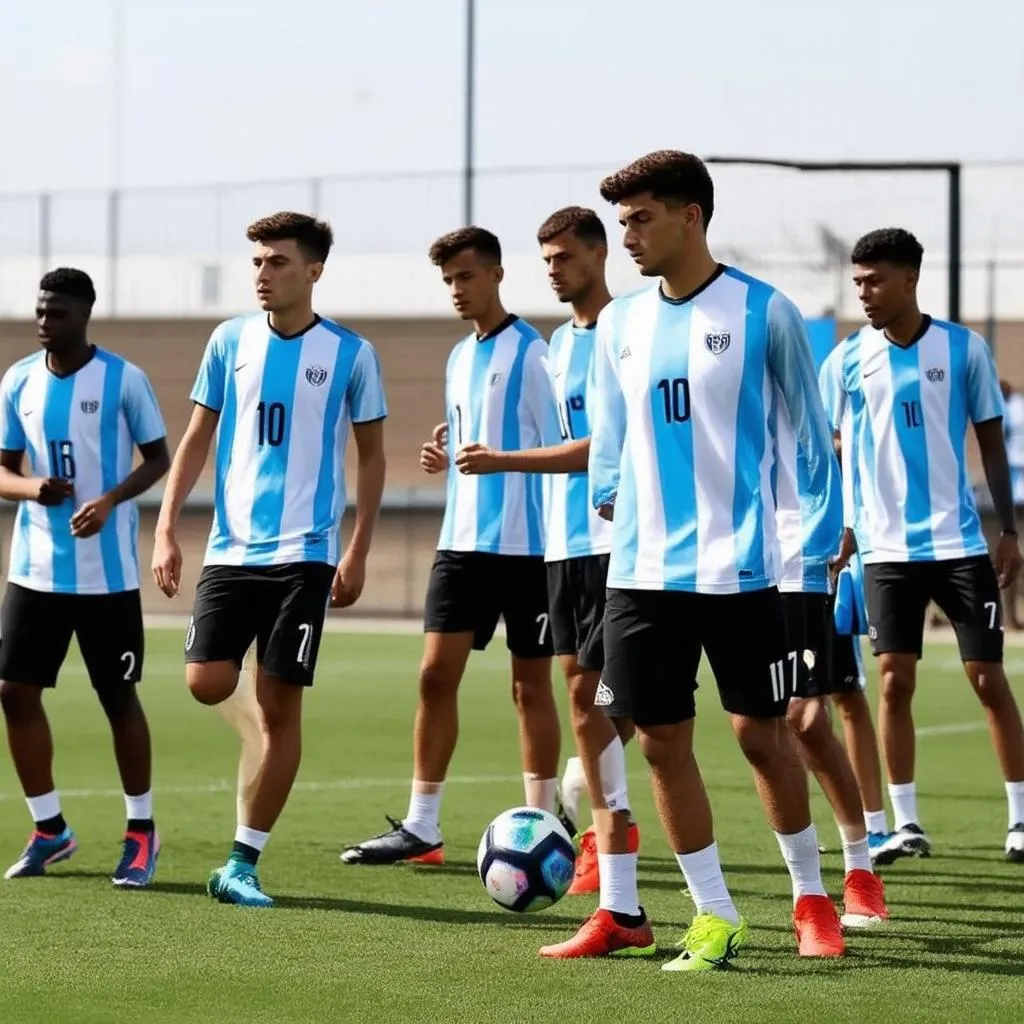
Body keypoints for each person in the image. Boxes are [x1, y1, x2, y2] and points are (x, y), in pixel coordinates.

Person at [589, 150, 846, 970]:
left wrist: (820, 547)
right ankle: (716, 914)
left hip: (741, 572)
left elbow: (812, 439)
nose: (627, 236)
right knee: (660, 744)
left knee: (762, 740)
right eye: (622, 221)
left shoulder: (765, 312)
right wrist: (607, 492)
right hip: (638, 573)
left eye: (641, 219)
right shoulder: (618, 323)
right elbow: (610, 436)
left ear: (691, 215)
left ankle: (811, 896)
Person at [152, 211, 387, 905]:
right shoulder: (228, 342)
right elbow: (194, 440)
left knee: (283, 710)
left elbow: (372, 458)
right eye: (257, 261)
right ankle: (262, 691)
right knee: (205, 682)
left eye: (277, 261)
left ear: (312, 271)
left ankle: (242, 863)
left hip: (306, 557)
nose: (263, 273)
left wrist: (359, 547)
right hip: (230, 553)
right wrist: (166, 528)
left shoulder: (351, 354)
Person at [454, 207, 651, 958]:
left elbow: (606, 444)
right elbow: (545, 431)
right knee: (583, 697)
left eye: (567, 256)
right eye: (548, 260)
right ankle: (600, 833)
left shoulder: (630, 328)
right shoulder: (556, 345)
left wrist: (503, 461)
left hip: (623, 542)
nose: (556, 269)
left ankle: (607, 839)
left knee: (625, 705)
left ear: (602, 254)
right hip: (562, 545)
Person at [341, 226, 563, 866]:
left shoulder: (535, 353)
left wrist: (503, 461)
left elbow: (564, 444)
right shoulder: (459, 356)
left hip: (528, 547)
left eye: (466, 277)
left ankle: (543, 823)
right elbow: (472, 440)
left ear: (495, 274)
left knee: (530, 688)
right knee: (435, 678)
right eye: (448, 281)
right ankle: (423, 826)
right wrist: (443, 453)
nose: (457, 291)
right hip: (461, 542)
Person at [826, 227, 1024, 865]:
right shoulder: (847, 360)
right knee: (893, 681)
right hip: (883, 552)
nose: (865, 293)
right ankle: (905, 824)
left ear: (911, 278)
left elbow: (990, 441)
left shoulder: (963, 350)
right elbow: (833, 449)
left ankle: (1020, 820)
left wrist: (1011, 532)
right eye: (857, 282)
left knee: (989, 679)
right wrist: (845, 526)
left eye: (875, 280)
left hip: (960, 543)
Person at [0, 267, 169, 886]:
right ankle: (50, 829)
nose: (46, 322)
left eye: (59, 313)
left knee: (117, 698)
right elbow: (2, 469)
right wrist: (32, 489)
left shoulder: (125, 380)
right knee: (13, 692)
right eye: (41, 311)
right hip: (34, 571)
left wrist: (109, 500)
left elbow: (159, 459)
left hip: (109, 578)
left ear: (85, 314)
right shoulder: (18, 380)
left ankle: (141, 832)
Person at [773, 370, 889, 926]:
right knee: (759, 726)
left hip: (799, 564)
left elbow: (835, 448)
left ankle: (860, 871)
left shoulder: (791, 383)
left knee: (808, 718)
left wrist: (841, 527)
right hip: (724, 566)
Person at [998, 379, 1024, 628]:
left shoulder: (1012, 409)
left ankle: (1011, 615)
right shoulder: (1014, 407)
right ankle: (1010, 615)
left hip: (1013, 489)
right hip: (1010, 490)